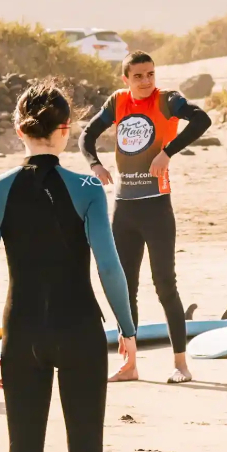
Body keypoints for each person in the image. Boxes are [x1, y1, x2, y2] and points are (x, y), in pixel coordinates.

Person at [0, 83, 138, 452]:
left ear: (19, 128)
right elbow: (110, 267)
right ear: (65, 130)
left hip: (20, 334)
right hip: (79, 332)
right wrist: (128, 330)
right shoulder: (89, 190)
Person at [81, 54, 213, 383]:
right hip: (123, 209)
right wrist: (95, 164)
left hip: (157, 207)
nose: (145, 80)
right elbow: (87, 136)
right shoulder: (118, 102)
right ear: (125, 79)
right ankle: (131, 364)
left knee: (165, 285)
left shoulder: (168, 100)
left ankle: (181, 365)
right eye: (138, 75)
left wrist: (168, 152)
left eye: (150, 74)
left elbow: (201, 120)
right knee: (126, 289)